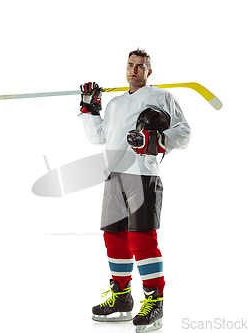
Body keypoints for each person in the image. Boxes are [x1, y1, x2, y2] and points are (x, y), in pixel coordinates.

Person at [78, 48, 191, 332]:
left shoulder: (162, 97)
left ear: (149, 71)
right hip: (113, 177)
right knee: (114, 237)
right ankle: (122, 298)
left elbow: (184, 132)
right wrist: (90, 108)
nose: (134, 70)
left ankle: (155, 303)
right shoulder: (115, 104)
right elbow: (98, 137)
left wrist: (154, 139)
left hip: (142, 176)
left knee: (141, 239)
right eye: (130, 65)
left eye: (141, 66)